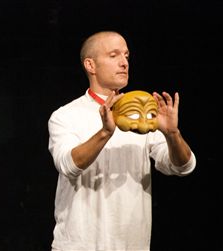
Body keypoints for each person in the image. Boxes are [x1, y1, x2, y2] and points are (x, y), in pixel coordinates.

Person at [47, 31, 196, 251]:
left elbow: (183, 167)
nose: (124, 63)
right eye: (114, 55)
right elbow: (68, 166)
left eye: (126, 56)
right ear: (91, 65)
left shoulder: (143, 113)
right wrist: (105, 132)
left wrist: (172, 134)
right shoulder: (66, 115)